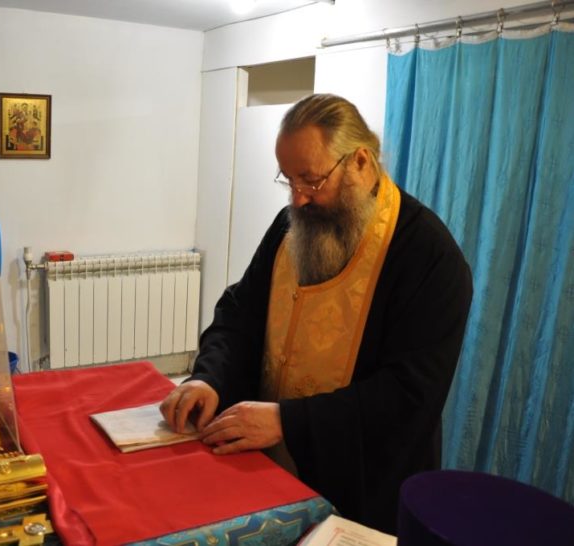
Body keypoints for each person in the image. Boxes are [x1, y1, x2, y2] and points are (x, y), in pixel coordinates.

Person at [160, 94, 473, 534]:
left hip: (356, 486)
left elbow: (408, 395)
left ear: (360, 162)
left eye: (310, 180)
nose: (298, 199)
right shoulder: (291, 225)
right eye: (288, 180)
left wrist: (287, 422)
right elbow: (240, 313)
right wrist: (208, 378)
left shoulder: (429, 257)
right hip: (261, 463)